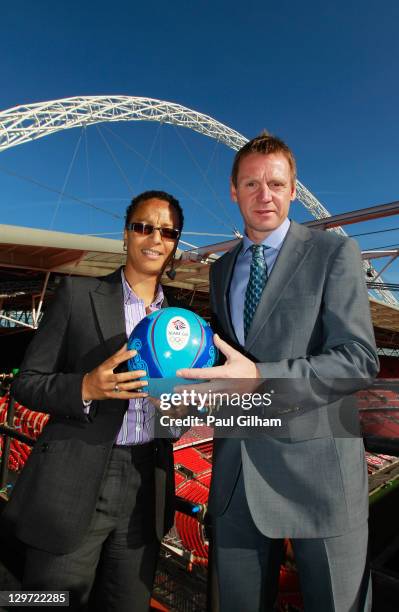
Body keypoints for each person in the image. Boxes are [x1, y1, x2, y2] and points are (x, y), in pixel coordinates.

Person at [177, 133, 379, 611]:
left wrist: (260, 375)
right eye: (251, 184)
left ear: (293, 189)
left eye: (275, 183)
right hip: (236, 477)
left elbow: (357, 358)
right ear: (233, 190)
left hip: (320, 479)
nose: (263, 195)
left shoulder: (333, 253)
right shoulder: (221, 269)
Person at [2, 190, 184, 611]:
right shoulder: (77, 295)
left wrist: (177, 409)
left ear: (174, 244)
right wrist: (84, 387)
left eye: (167, 231)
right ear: (126, 234)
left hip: (145, 486)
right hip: (74, 482)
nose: (155, 238)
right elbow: (26, 382)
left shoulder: (180, 324)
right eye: (144, 226)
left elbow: (174, 417)